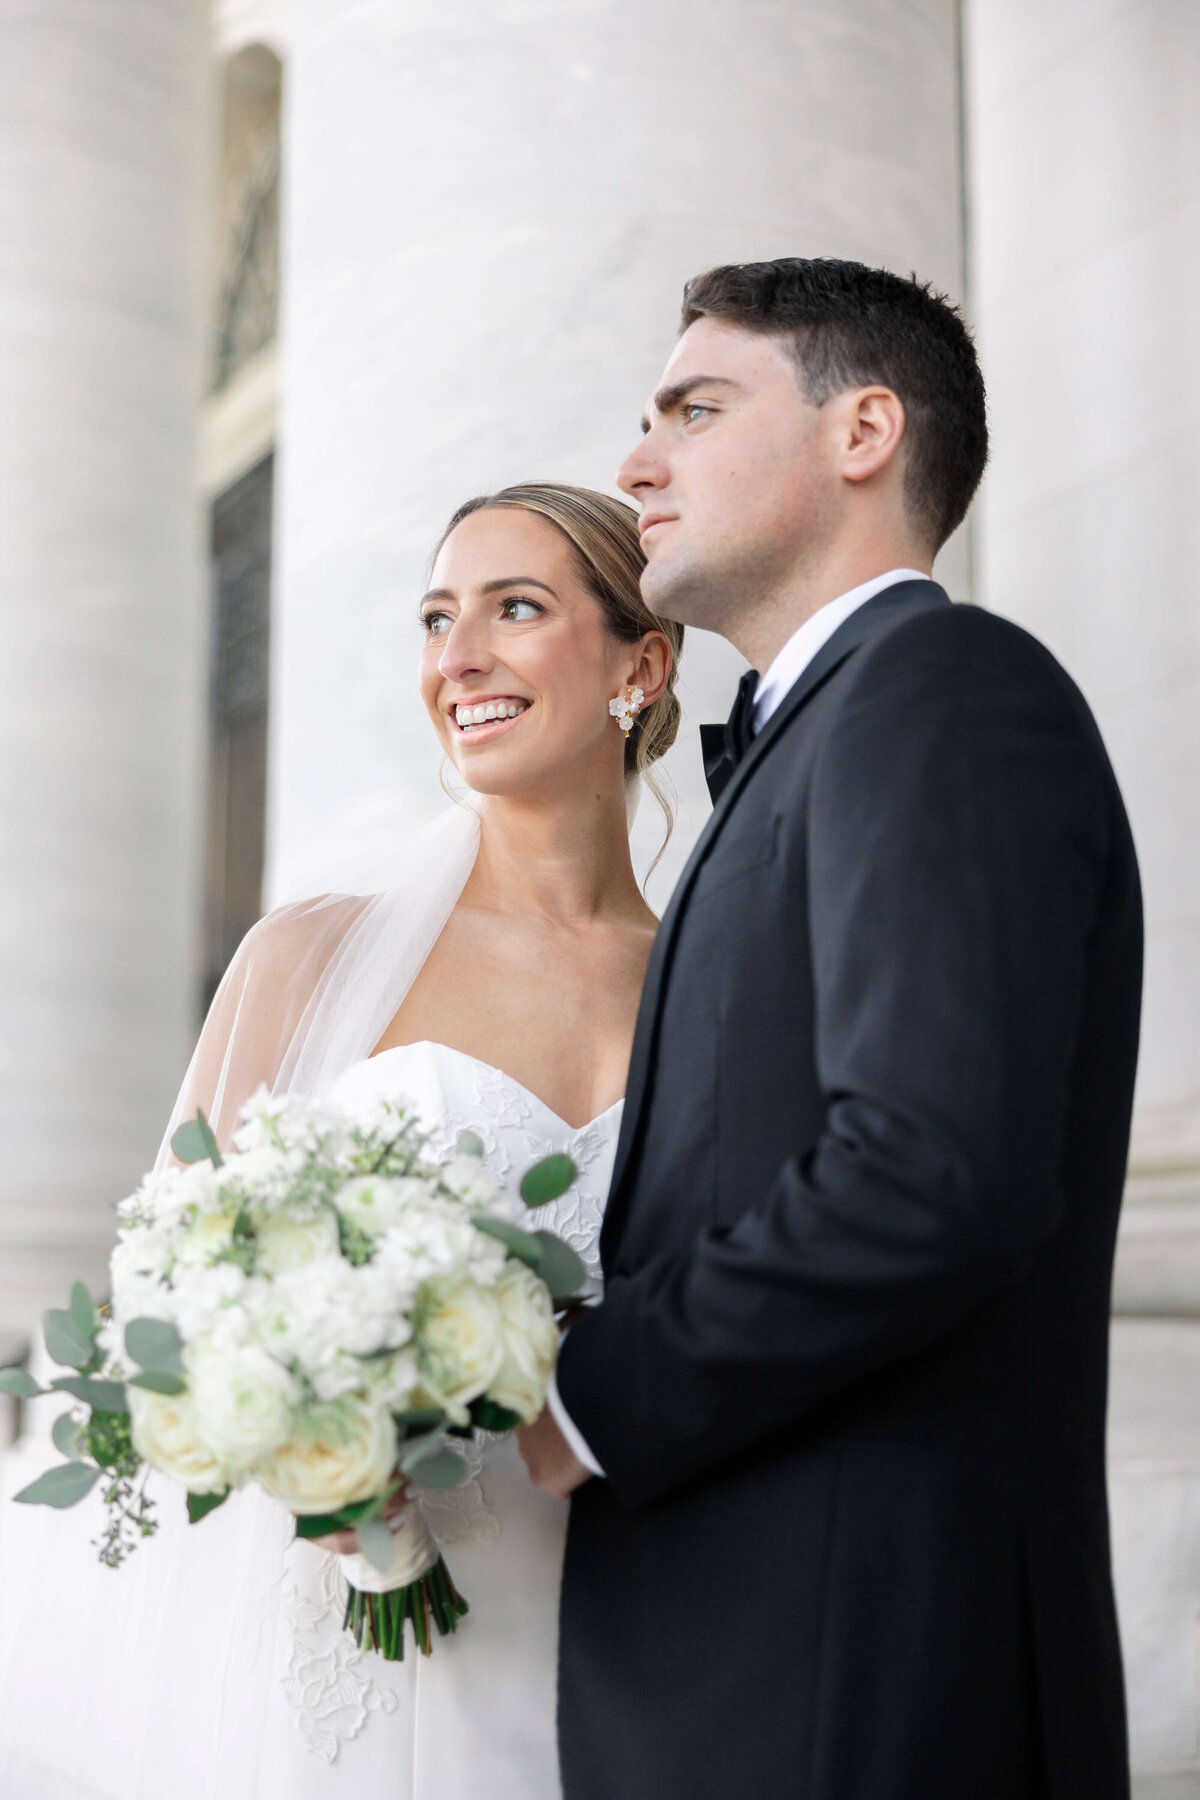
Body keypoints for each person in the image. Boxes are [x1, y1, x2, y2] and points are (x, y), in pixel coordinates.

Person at [518, 259, 1142, 1800]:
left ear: (864, 431)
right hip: (757, 1670)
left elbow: (929, 1172)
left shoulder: (940, 690)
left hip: (858, 1678)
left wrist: (581, 1395)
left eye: (695, 408)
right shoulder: (832, 729)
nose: (636, 463)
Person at [0, 483, 680, 1800]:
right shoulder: (312, 957)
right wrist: (323, 1452)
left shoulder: (714, 982)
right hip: (354, 1624)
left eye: (517, 609)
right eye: (438, 617)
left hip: (635, 1617)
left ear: (639, 665)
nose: (458, 656)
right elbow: (175, 1289)